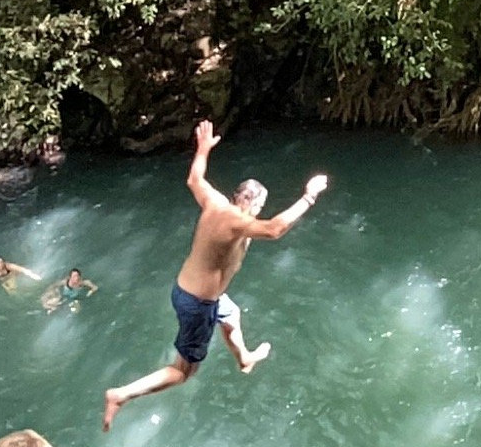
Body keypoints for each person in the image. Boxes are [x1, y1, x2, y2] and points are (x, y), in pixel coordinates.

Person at [102, 119, 328, 432]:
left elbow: (195, 179)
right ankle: (121, 395)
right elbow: (275, 229)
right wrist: (309, 196)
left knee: (231, 314)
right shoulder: (238, 221)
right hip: (197, 303)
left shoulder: (216, 201)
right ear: (255, 203)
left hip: (194, 293)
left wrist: (203, 149)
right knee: (183, 372)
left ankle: (245, 358)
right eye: (259, 205)